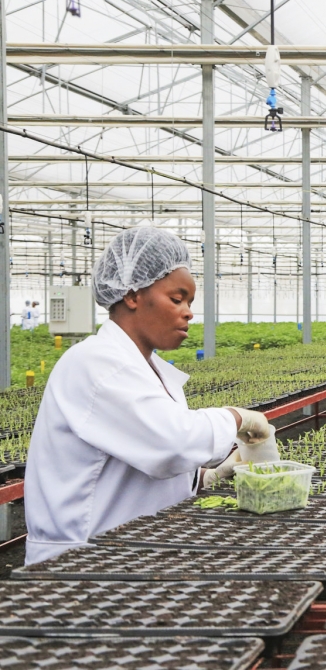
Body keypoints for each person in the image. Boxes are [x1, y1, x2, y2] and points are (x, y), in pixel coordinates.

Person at [24, 226, 277, 565]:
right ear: (132, 294)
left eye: (189, 302)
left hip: (129, 555)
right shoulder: (97, 364)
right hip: (82, 561)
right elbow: (171, 443)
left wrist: (206, 477)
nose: (188, 311)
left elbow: (137, 460)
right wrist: (236, 417)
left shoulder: (143, 367)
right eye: (177, 298)